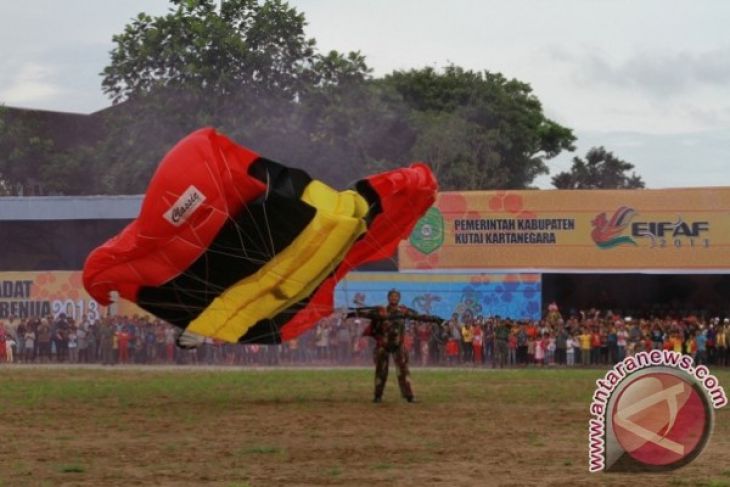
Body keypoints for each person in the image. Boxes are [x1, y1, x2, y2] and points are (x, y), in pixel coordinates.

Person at [349, 289, 444, 403]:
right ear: (388, 298)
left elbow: (419, 317)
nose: (394, 298)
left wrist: (436, 319)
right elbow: (365, 313)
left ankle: (409, 396)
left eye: (396, 296)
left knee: (403, 371)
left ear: (399, 298)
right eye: (392, 296)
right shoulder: (381, 311)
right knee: (381, 371)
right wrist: (351, 314)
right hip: (383, 346)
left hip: (398, 346)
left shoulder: (403, 311)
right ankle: (378, 396)